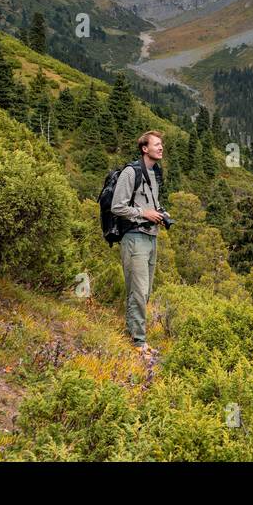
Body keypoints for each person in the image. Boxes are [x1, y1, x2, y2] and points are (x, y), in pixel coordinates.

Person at [110, 130, 169, 355]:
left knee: (145, 292)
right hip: (134, 237)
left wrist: (159, 214)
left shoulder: (155, 173)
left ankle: (134, 335)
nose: (161, 148)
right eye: (156, 144)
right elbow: (117, 206)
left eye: (161, 144)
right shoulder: (130, 172)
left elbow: (148, 203)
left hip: (151, 237)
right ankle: (138, 342)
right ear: (145, 149)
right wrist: (144, 214)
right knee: (138, 290)